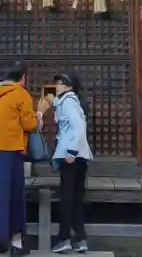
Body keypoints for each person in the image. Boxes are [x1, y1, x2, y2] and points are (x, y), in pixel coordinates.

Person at [0, 62, 42, 257]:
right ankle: (16, 243)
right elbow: (29, 124)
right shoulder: (21, 93)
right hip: (8, 149)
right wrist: (40, 114)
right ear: (23, 78)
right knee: (13, 194)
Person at [41, 71, 93, 254]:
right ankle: (80, 238)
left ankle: (64, 238)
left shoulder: (69, 102)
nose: (56, 85)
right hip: (80, 157)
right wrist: (51, 92)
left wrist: (70, 152)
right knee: (76, 198)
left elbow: (79, 127)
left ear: (69, 86)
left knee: (67, 198)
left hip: (71, 156)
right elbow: (47, 97)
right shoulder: (66, 101)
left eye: (61, 82)